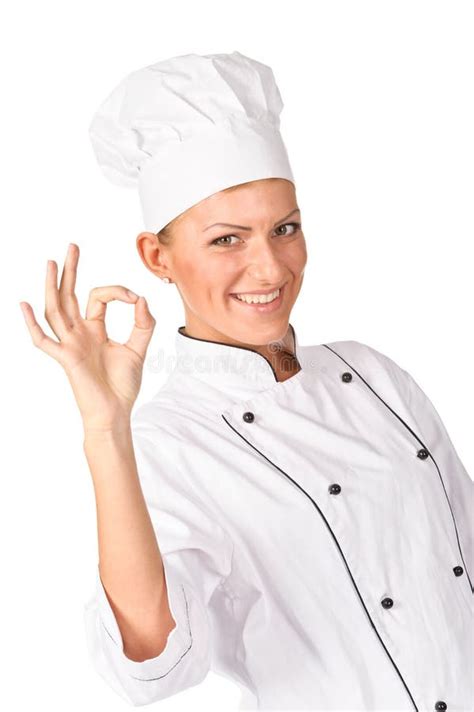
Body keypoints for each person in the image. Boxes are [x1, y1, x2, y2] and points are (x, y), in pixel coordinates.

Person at [19, 52, 473, 711]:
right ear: (157, 258)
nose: (270, 268)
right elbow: (152, 663)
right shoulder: (168, 439)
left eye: (284, 229)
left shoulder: (375, 374)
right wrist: (105, 429)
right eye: (228, 240)